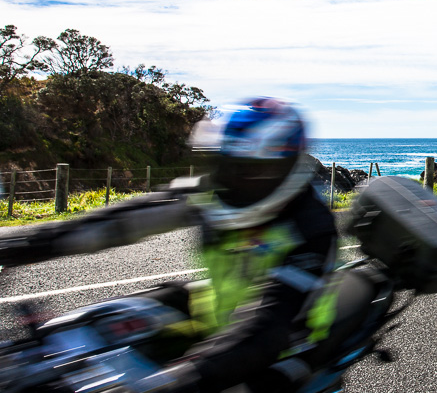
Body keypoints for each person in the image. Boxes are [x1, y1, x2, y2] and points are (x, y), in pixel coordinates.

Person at [0, 97, 339, 392]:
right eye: (220, 164)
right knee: (89, 325)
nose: (225, 179)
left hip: (287, 346)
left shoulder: (312, 228)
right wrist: (29, 244)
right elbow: (118, 224)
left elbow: (268, 325)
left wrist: (178, 378)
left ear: (275, 170)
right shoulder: (215, 193)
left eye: (241, 168)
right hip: (213, 313)